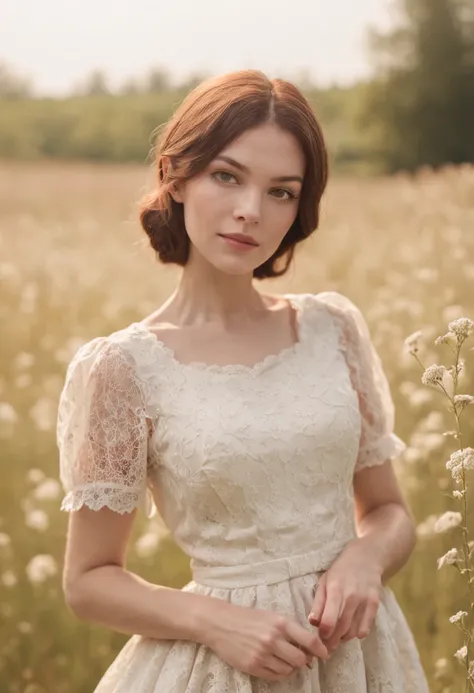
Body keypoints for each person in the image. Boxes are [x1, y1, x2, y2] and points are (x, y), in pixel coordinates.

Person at [56, 69, 429, 692]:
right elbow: (88, 581)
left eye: (281, 191)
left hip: (360, 659)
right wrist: (216, 621)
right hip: (225, 667)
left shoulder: (332, 328)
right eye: (227, 176)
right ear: (176, 176)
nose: (250, 211)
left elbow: (389, 511)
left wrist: (366, 557)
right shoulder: (123, 367)